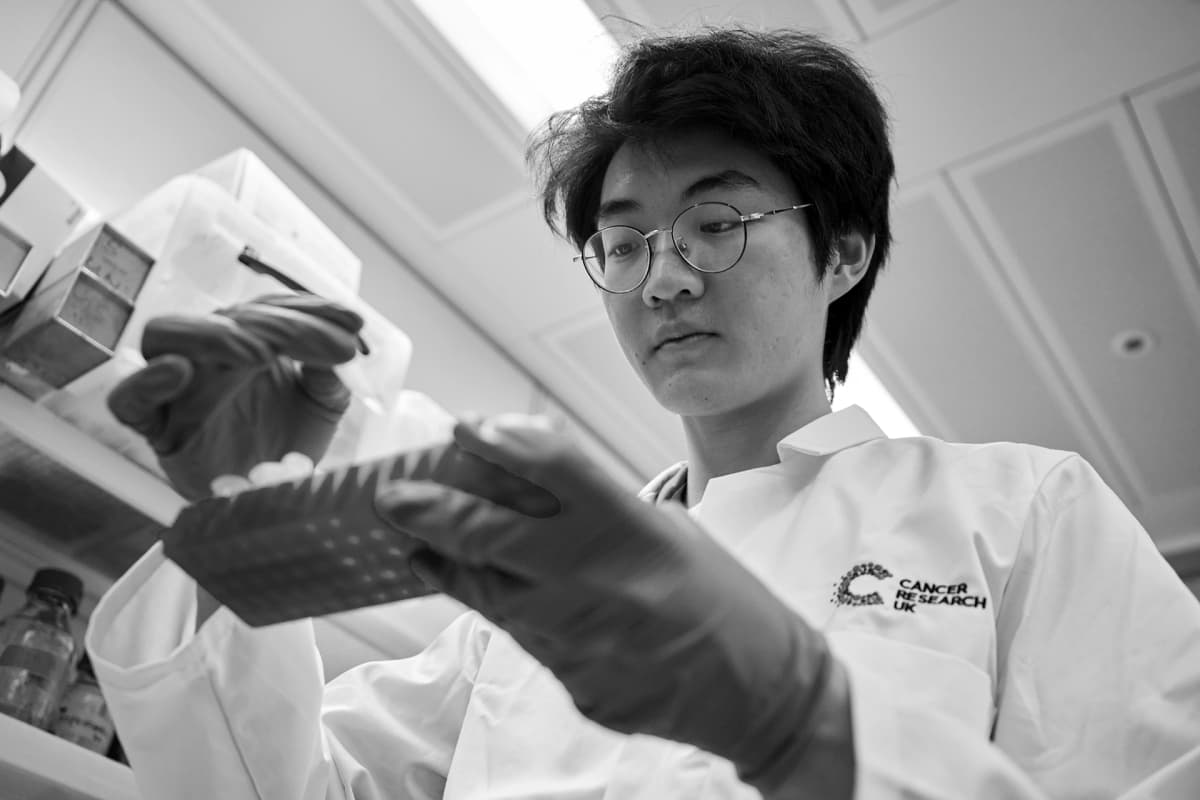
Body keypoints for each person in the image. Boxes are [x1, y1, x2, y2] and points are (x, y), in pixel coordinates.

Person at [85, 27, 1200, 800]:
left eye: (716, 223)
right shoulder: (520, 589)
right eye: (624, 242)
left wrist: (810, 724)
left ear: (844, 250)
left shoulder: (1020, 512)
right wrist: (232, 533)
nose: (662, 277)